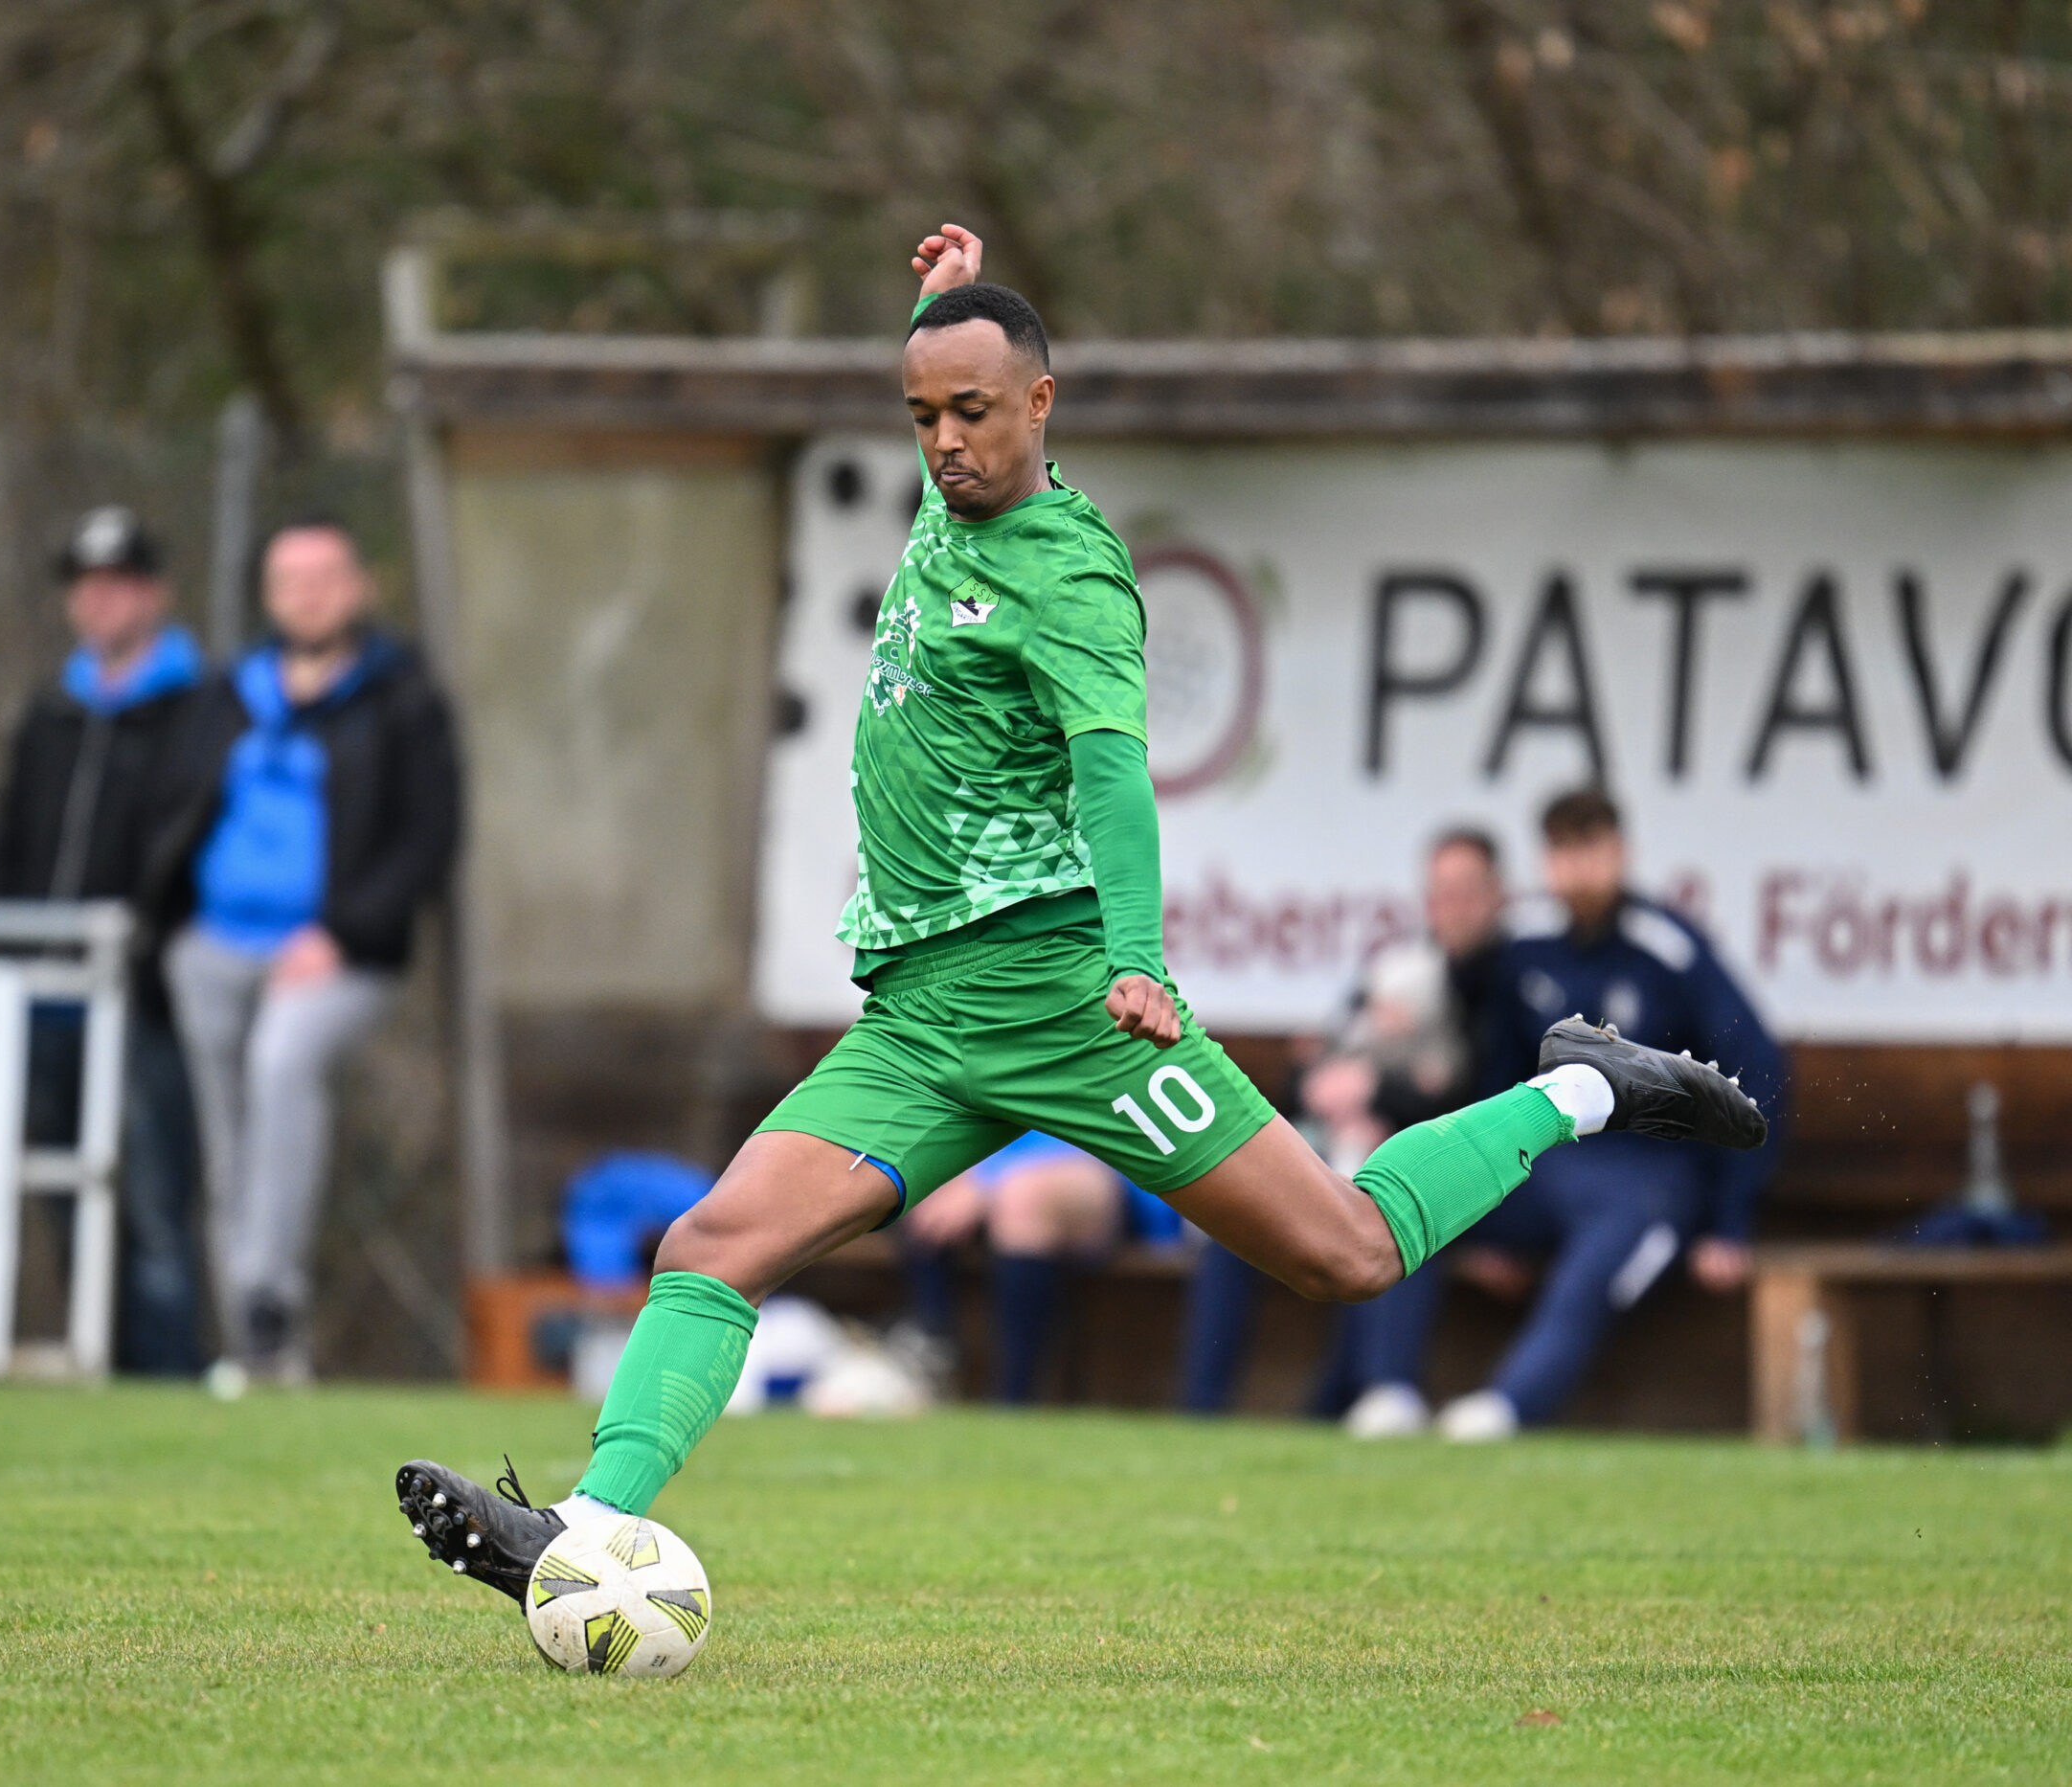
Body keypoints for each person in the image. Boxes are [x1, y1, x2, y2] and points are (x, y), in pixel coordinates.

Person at [394, 225, 1765, 1599]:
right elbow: (959, 386)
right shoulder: (955, 499)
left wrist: (1135, 958)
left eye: (973, 413)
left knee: (1346, 1252)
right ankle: (574, 1533)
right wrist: (945, 307)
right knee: (712, 1242)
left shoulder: (1074, 576)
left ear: (1042, 405)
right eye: (923, 415)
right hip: (927, 1019)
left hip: (1068, 999)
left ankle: (1579, 1089)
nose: (944, 443)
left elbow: (1115, 777)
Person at [1331, 787, 1785, 1441]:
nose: (1578, 869)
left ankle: (1511, 1405)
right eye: (1563, 851)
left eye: (1591, 848)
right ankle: (1390, 1390)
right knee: (1424, 1187)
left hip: (1649, 1177)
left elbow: (1758, 1069)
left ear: (1620, 852)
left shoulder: (1669, 948)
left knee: (1601, 1256)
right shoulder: (1526, 946)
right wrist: (1480, 1201)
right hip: (1546, 1163)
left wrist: (1732, 1223)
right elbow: (1495, 1073)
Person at [143, 517, 460, 1386]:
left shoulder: (401, 698)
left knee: (283, 1069)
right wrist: (172, 926)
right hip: (210, 945)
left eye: (326, 576)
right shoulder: (229, 694)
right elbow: (171, 807)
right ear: (268, 593)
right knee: (227, 1141)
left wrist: (342, 931)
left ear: (358, 587)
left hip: (334, 956)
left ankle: (265, 1295)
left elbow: (428, 836)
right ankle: (256, 1350)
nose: (309, 594)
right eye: (290, 578)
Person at [1178, 827, 1511, 1414]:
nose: (1450, 907)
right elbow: (1310, 1073)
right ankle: (1203, 1408)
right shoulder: (1398, 967)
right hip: (1347, 1148)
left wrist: (1381, 1091)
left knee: (1385, 1211)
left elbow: (1484, 1095)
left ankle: (1373, 1395)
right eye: (1439, 892)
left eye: (1466, 891)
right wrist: (1331, 1086)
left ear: (1497, 895)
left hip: (1461, 1174)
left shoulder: (1511, 978)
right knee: (1237, 1212)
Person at [0, 507, 209, 1376]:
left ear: (153, 595)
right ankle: (99, 1363)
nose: (101, 602)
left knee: (153, 1194)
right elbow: (11, 841)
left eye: (118, 584)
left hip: (142, 995)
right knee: (62, 1192)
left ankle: (165, 1370)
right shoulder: (51, 712)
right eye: (86, 586)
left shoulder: (195, 708)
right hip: (42, 989)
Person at [900, 1131, 1183, 1403]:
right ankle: (929, 1358)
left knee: (1023, 1195)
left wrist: (988, 1177)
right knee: (923, 1185)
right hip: (988, 1165)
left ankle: (1014, 1403)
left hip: (1118, 1167)